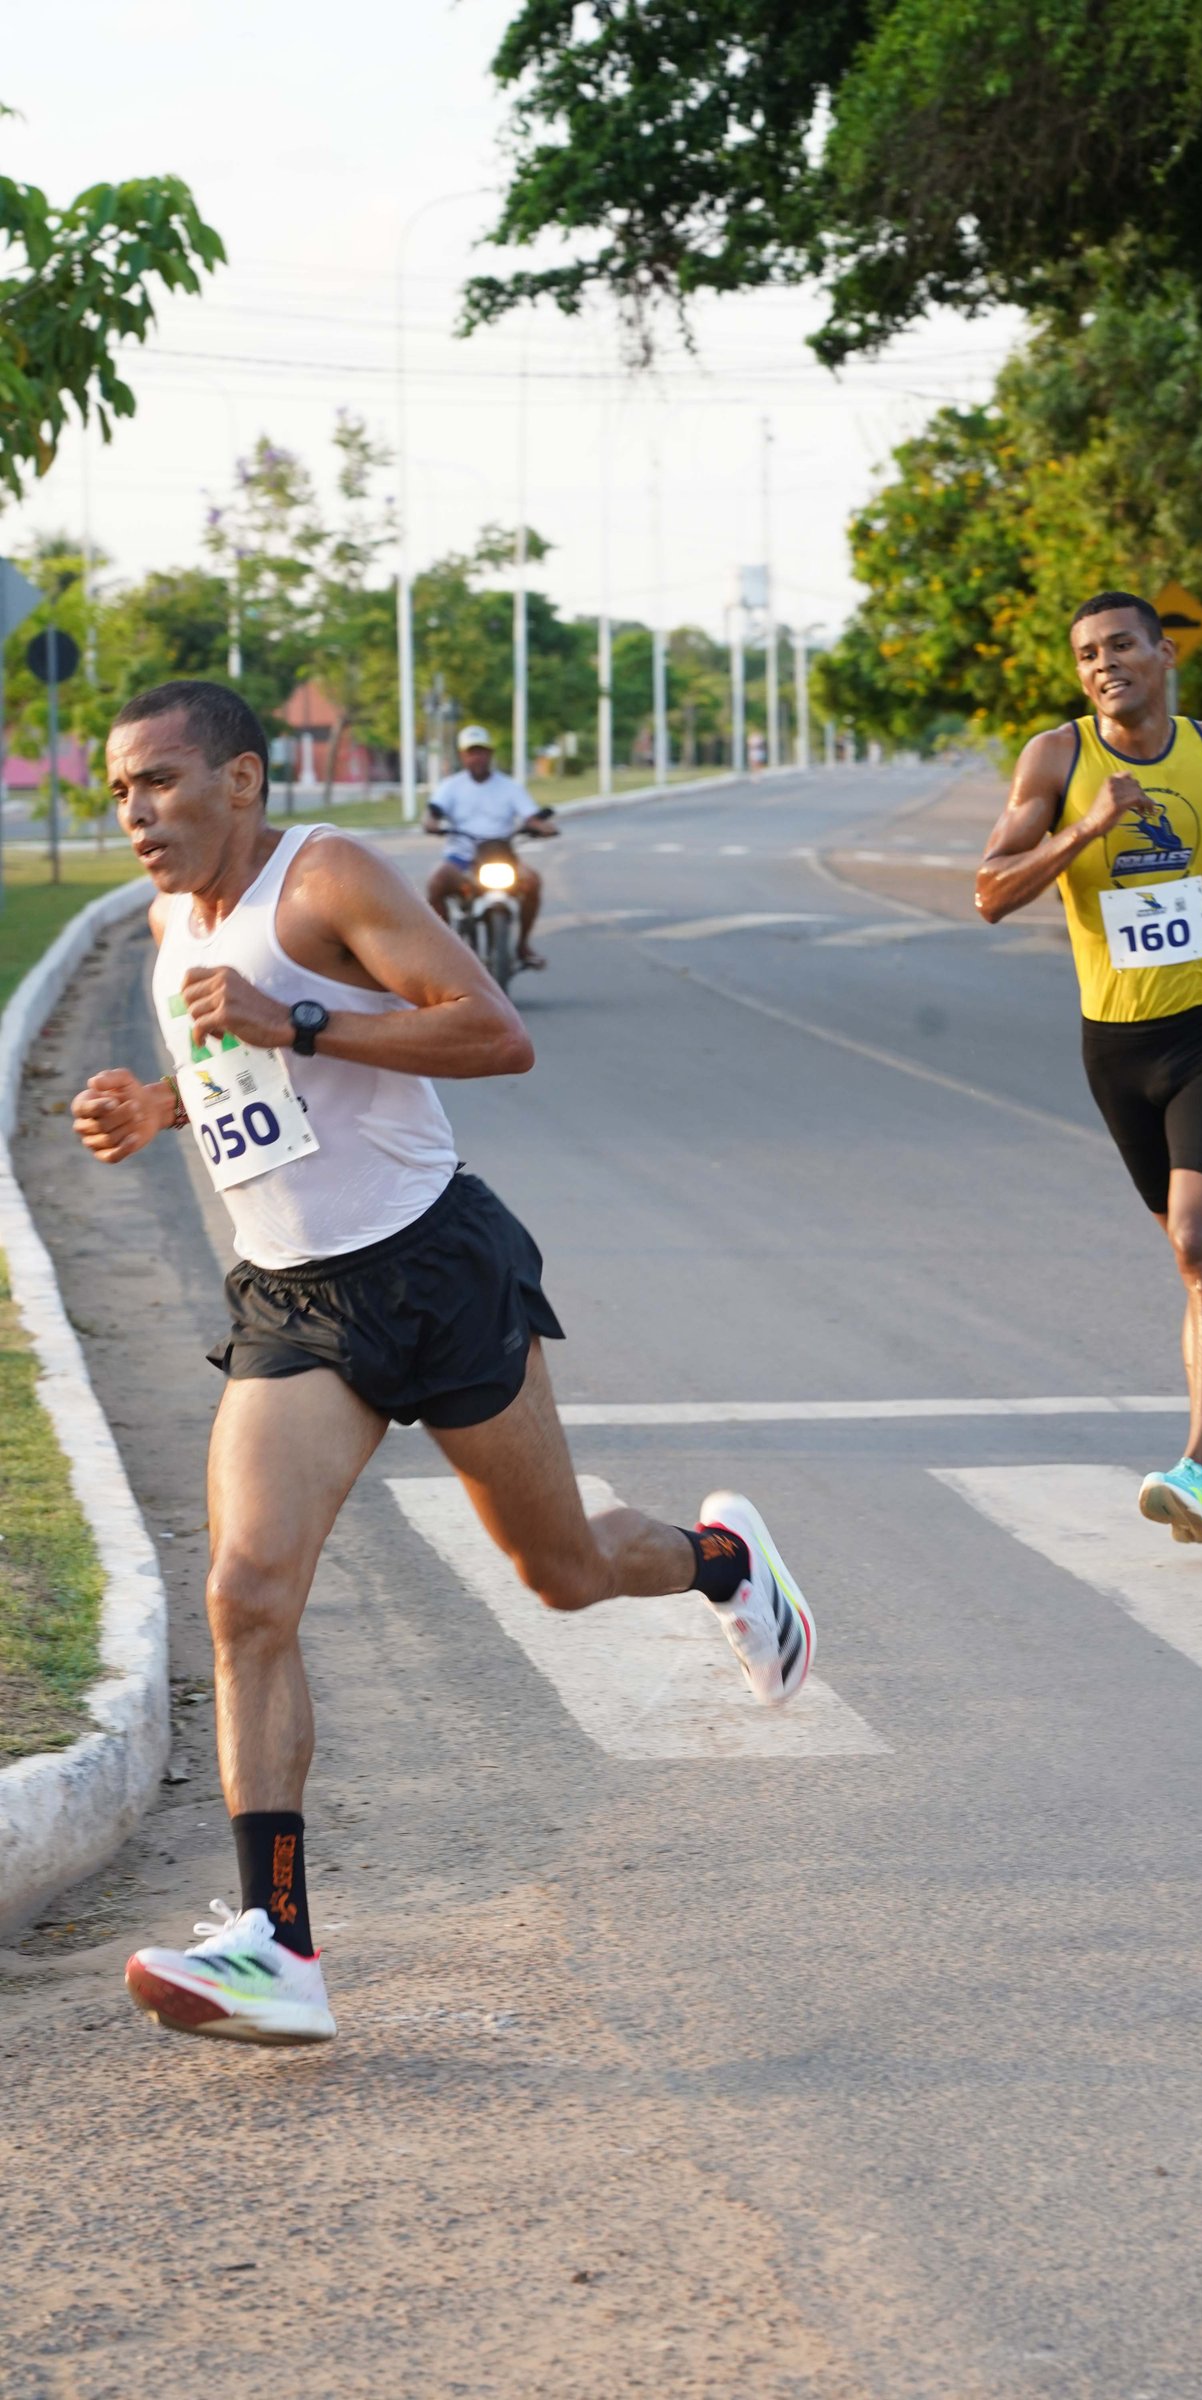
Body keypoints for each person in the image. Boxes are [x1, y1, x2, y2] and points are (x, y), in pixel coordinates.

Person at [72, 680, 815, 2047]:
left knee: (564, 1575)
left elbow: (492, 1033)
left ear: (243, 782)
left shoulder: (329, 876)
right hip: (296, 1306)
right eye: (119, 789)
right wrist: (159, 1101)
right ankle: (277, 1945)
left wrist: (296, 1021)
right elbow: (246, 1073)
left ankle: (724, 1563)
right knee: (245, 1596)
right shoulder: (172, 923)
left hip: (437, 1269)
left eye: (160, 783)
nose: (134, 812)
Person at [974, 592, 1202, 1545]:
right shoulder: (1058, 758)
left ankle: (1198, 1471)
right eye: (1086, 654)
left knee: (1195, 1249)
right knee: (1201, 1222)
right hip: (1115, 1043)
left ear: (1163, 654)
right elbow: (991, 890)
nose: (1103, 664)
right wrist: (1084, 829)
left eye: (1121, 645)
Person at [425, 724, 558, 971]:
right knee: (436, 883)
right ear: (463, 755)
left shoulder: (509, 787)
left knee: (532, 881)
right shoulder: (450, 787)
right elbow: (432, 814)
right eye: (472, 752)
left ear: (491, 753)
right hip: (461, 857)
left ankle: (522, 945)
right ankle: (442, 950)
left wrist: (543, 827)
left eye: (482, 751)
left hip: (501, 855)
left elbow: (531, 817)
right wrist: (431, 824)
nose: (478, 757)